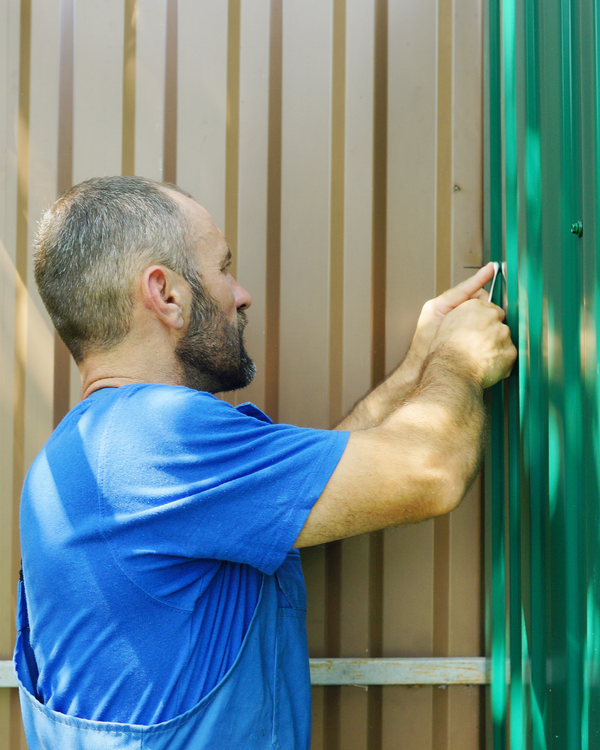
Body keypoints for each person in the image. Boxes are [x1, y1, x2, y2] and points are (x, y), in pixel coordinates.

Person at [14, 176, 516, 750]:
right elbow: (431, 471)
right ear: (167, 295)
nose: (241, 293)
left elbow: (311, 486)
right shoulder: (159, 438)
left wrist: (420, 364)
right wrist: (459, 360)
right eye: (223, 268)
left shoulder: (86, 455)